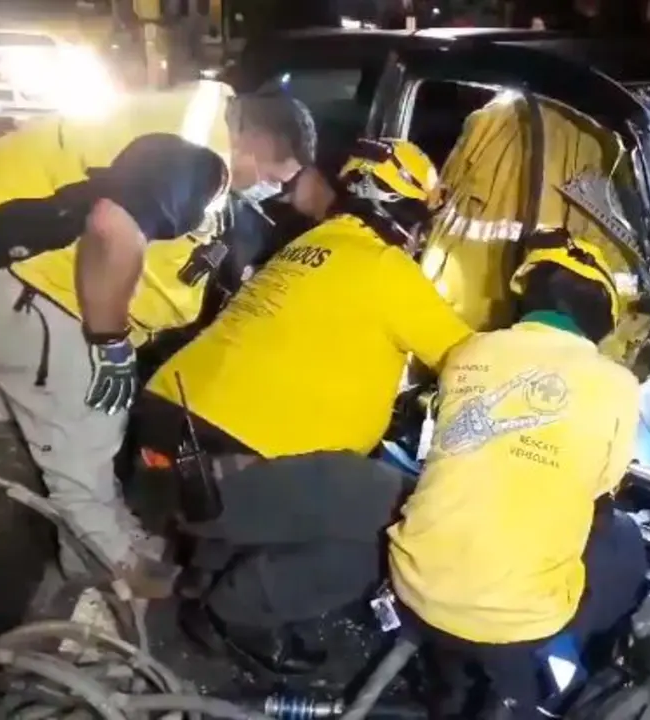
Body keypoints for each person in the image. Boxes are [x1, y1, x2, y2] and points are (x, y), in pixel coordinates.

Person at [0, 80, 316, 599]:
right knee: (84, 422)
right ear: (258, 145)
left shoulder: (206, 119)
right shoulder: (196, 159)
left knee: (30, 380)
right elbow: (112, 228)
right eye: (272, 178)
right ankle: (103, 566)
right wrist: (108, 341)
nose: (269, 191)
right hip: (7, 254)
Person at [135, 138, 473, 665]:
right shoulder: (386, 267)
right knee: (402, 525)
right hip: (224, 469)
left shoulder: (306, 247)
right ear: (409, 218)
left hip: (161, 439)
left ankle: (205, 574)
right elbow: (477, 363)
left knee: (312, 480)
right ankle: (232, 614)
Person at [387, 228, 647, 719]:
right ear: (602, 316)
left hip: (414, 584)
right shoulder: (618, 384)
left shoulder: (471, 350)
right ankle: (558, 673)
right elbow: (601, 484)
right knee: (623, 542)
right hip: (515, 622)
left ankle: (444, 681)